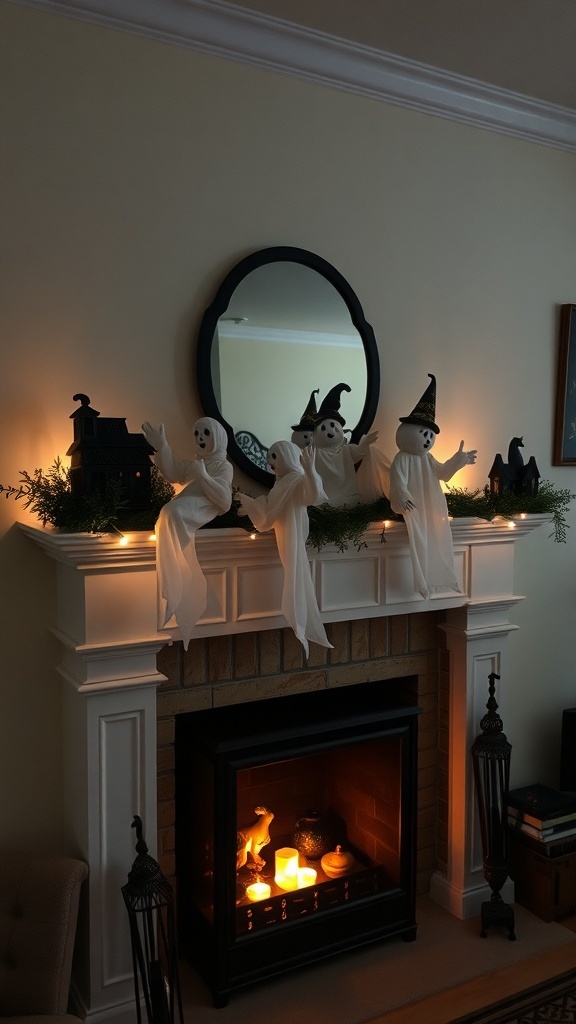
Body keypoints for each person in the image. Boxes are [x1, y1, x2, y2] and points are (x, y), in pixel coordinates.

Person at [142, 416, 233, 648]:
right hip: (187, 503)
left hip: (205, 504)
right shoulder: (195, 463)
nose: (200, 438)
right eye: (197, 434)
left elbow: (224, 500)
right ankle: (174, 574)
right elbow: (173, 472)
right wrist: (162, 446)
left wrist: (204, 476)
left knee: (172, 511)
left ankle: (175, 578)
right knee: (169, 512)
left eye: (206, 433)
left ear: (218, 437)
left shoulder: (223, 466)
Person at [236, 441, 332, 658]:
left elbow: (313, 496)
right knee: (292, 570)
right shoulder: (280, 484)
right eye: (269, 457)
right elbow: (269, 512)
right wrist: (251, 504)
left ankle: (299, 620)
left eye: (275, 457)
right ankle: (298, 619)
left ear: (288, 457)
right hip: (284, 534)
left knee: (296, 572)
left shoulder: (297, 481)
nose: (271, 462)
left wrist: (309, 470)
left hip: (295, 532)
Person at [389, 374, 477, 599]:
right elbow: (397, 480)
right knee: (418, 541)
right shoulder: (402, 458)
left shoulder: (427, 459)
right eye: (423, 433)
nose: (427, 439)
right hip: (413, 509)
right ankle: (423, 581)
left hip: (430, 508)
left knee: (436, 540)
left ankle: (436, 579)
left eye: (430, 435)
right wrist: (403, 496)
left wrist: (459, 460)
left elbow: (443, 473)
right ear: (408, 431)